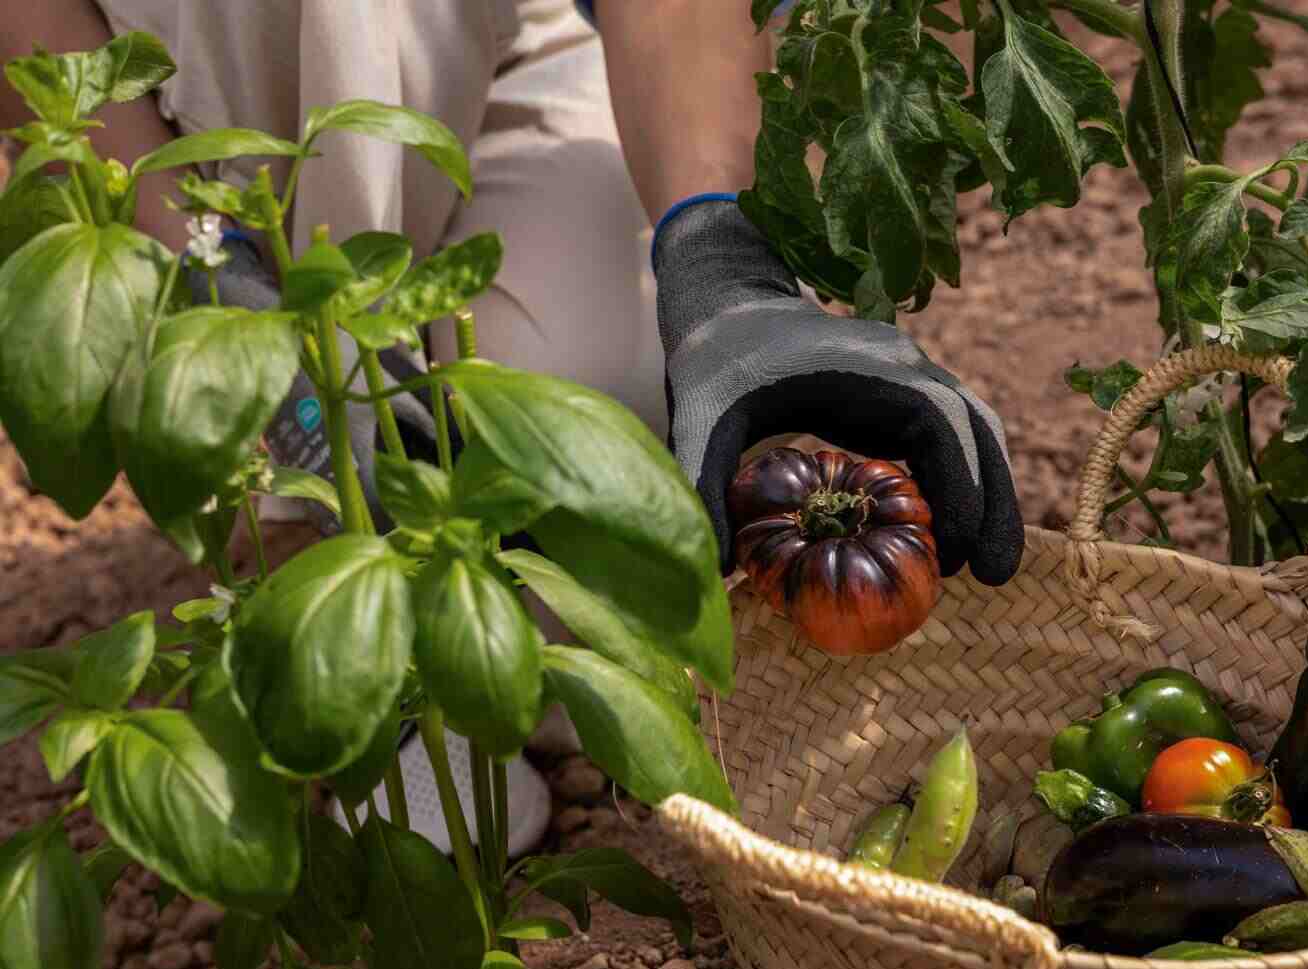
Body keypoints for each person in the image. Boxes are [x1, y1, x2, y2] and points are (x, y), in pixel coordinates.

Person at [0, 0, 1024, 857]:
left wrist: (720, 265)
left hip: (513, 39)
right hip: (204, 128)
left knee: (602, 432)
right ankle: (320, 533)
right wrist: (219, 289)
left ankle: (410, 553)